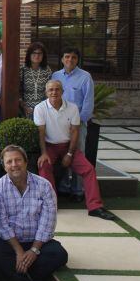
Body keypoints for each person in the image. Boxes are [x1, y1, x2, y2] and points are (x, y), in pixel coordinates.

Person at [0, 145, 68, 281]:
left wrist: (34, 250)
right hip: (11, 244)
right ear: (4, 166)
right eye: (9, 161)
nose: (14, 165)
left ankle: (15, 279)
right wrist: (19, 251)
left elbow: (48, 220)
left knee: (59, 254)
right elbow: (1, 224)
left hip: (37, 242)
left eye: (18, 160)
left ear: (26, 162)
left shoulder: (44, 185)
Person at [34, 80, 115, 220]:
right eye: (51, 90)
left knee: (89, 169)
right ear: (46, 92)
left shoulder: (72, 108)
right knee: (44, 165)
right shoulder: (40, 108)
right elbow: (40, 132)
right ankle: (50, 205)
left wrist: (70, 153)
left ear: (62, 92)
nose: (54, 92)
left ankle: (95, 207)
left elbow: (75, 132)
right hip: (50, 147)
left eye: (57, 89)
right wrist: (44, 153)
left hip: (68, 146)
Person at [51, 47, 95, 199]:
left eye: (74, 57)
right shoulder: (55, 75)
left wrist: (78, 122)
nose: (70, 60)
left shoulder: (85, 77)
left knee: (77, 155)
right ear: (62, 59)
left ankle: (77, 190)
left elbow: (88, 103)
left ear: (77, 60)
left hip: (78, 124)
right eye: (67, 57)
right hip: (58, 123)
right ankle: (64, 187)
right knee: (63, 153)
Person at [20, 42, 52, 118]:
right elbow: (18, 91)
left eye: (40, 53)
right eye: (34, 53)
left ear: (43, 55)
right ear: (29, 55)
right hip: (26, 110)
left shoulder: (47, 70)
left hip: (43, 109)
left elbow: (49, 90)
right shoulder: (23, 69)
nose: (37, 56)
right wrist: (24, 107)